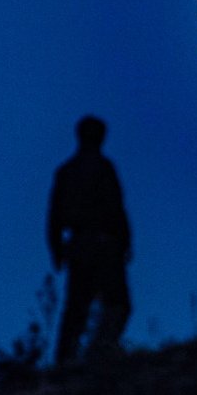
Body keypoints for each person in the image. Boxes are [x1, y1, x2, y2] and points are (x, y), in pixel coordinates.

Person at [47, 115, 132, 365]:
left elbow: (53, 218)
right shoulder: (102, 169)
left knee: (77, 309)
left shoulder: (67, 172)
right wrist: (124, 242)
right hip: (101, 246)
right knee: (116, 304)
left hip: (82, 247)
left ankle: (73, 359)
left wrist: (57, 250)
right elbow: (117, 209)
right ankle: (97, 352)